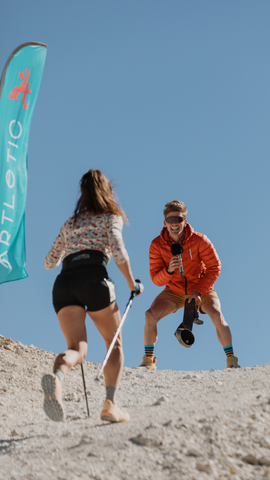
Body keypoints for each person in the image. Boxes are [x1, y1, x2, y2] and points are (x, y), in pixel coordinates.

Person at [42, 169, 143, 423]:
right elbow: (118, 251)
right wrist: (133, 285)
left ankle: (57, 379)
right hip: (94, 278)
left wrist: (72, 250)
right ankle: (110, 404)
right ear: (107, 191)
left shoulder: (71, 223)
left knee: (76, 349)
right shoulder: (111, 218)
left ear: (82, 193)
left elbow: (49, 262)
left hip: (64, 281)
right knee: (114, 342)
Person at [137, 200, 239, 371]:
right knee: (149, 315)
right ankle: (148, 361)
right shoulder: (156, 245)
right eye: (170, 220)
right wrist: (169, 270)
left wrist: (199, 290)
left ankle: (231, 361)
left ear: (185, 220)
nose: (174, 224)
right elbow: (155, 279)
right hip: (173, 291)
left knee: (217, 315)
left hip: (201, 288)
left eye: (178, 219)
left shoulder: (200, 240)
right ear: (165, 223)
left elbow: (215, 267)